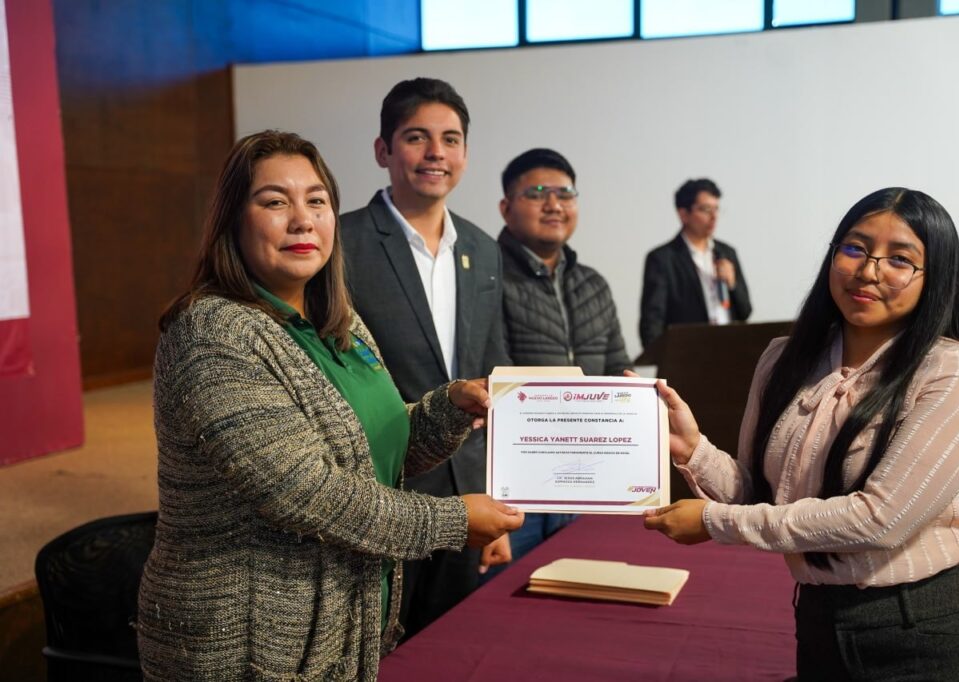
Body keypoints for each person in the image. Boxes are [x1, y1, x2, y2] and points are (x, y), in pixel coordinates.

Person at [136, 130, 523, 681]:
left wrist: (451, 407)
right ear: (232, 220)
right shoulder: (212, 331)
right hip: (245, 641)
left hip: (342, 624)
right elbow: (308, 493)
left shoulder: (338, 324)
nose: (302, 220)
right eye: (275, 202)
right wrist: (454, 520)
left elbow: (373, 447)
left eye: (317, 201)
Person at [643, 187, 959, 680]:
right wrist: (693, 450)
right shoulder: (783, 358)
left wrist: (716, 522)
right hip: (821, 623)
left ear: (934, 278)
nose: (869, 270)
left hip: (940, 627)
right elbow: (762, 496)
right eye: (855, 248)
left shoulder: (953, 370)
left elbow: (881, 519)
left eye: (900, 259)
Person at [339, 78, 509, 638]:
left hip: (466, 493)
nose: (437, 152)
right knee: (375, 643)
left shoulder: (484, 249)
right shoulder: (342, 244)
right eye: (417, 137)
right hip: (380, 489)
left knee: (447, 640)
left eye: (451, 139)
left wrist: (498, 499)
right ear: (383, 150)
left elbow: (494, 377)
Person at [496, 147, 632, 560]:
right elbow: (483, 383)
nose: (554, 205)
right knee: (504, 615)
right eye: (537, 193)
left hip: (588, 486)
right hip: (515, 493)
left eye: (565, 194)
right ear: (506, 208)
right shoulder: (485, 278)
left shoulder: (594, 285)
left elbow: (616, 369)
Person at [639, 178, 752, 349]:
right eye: (706, 209)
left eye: (716, 209)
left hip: (730, 352)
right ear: (683, 214)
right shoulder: (662, 259)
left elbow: (745, 312)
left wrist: (732, 283)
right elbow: (652, 322)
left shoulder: (727, 253)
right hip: (688, 356)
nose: (714, 216)